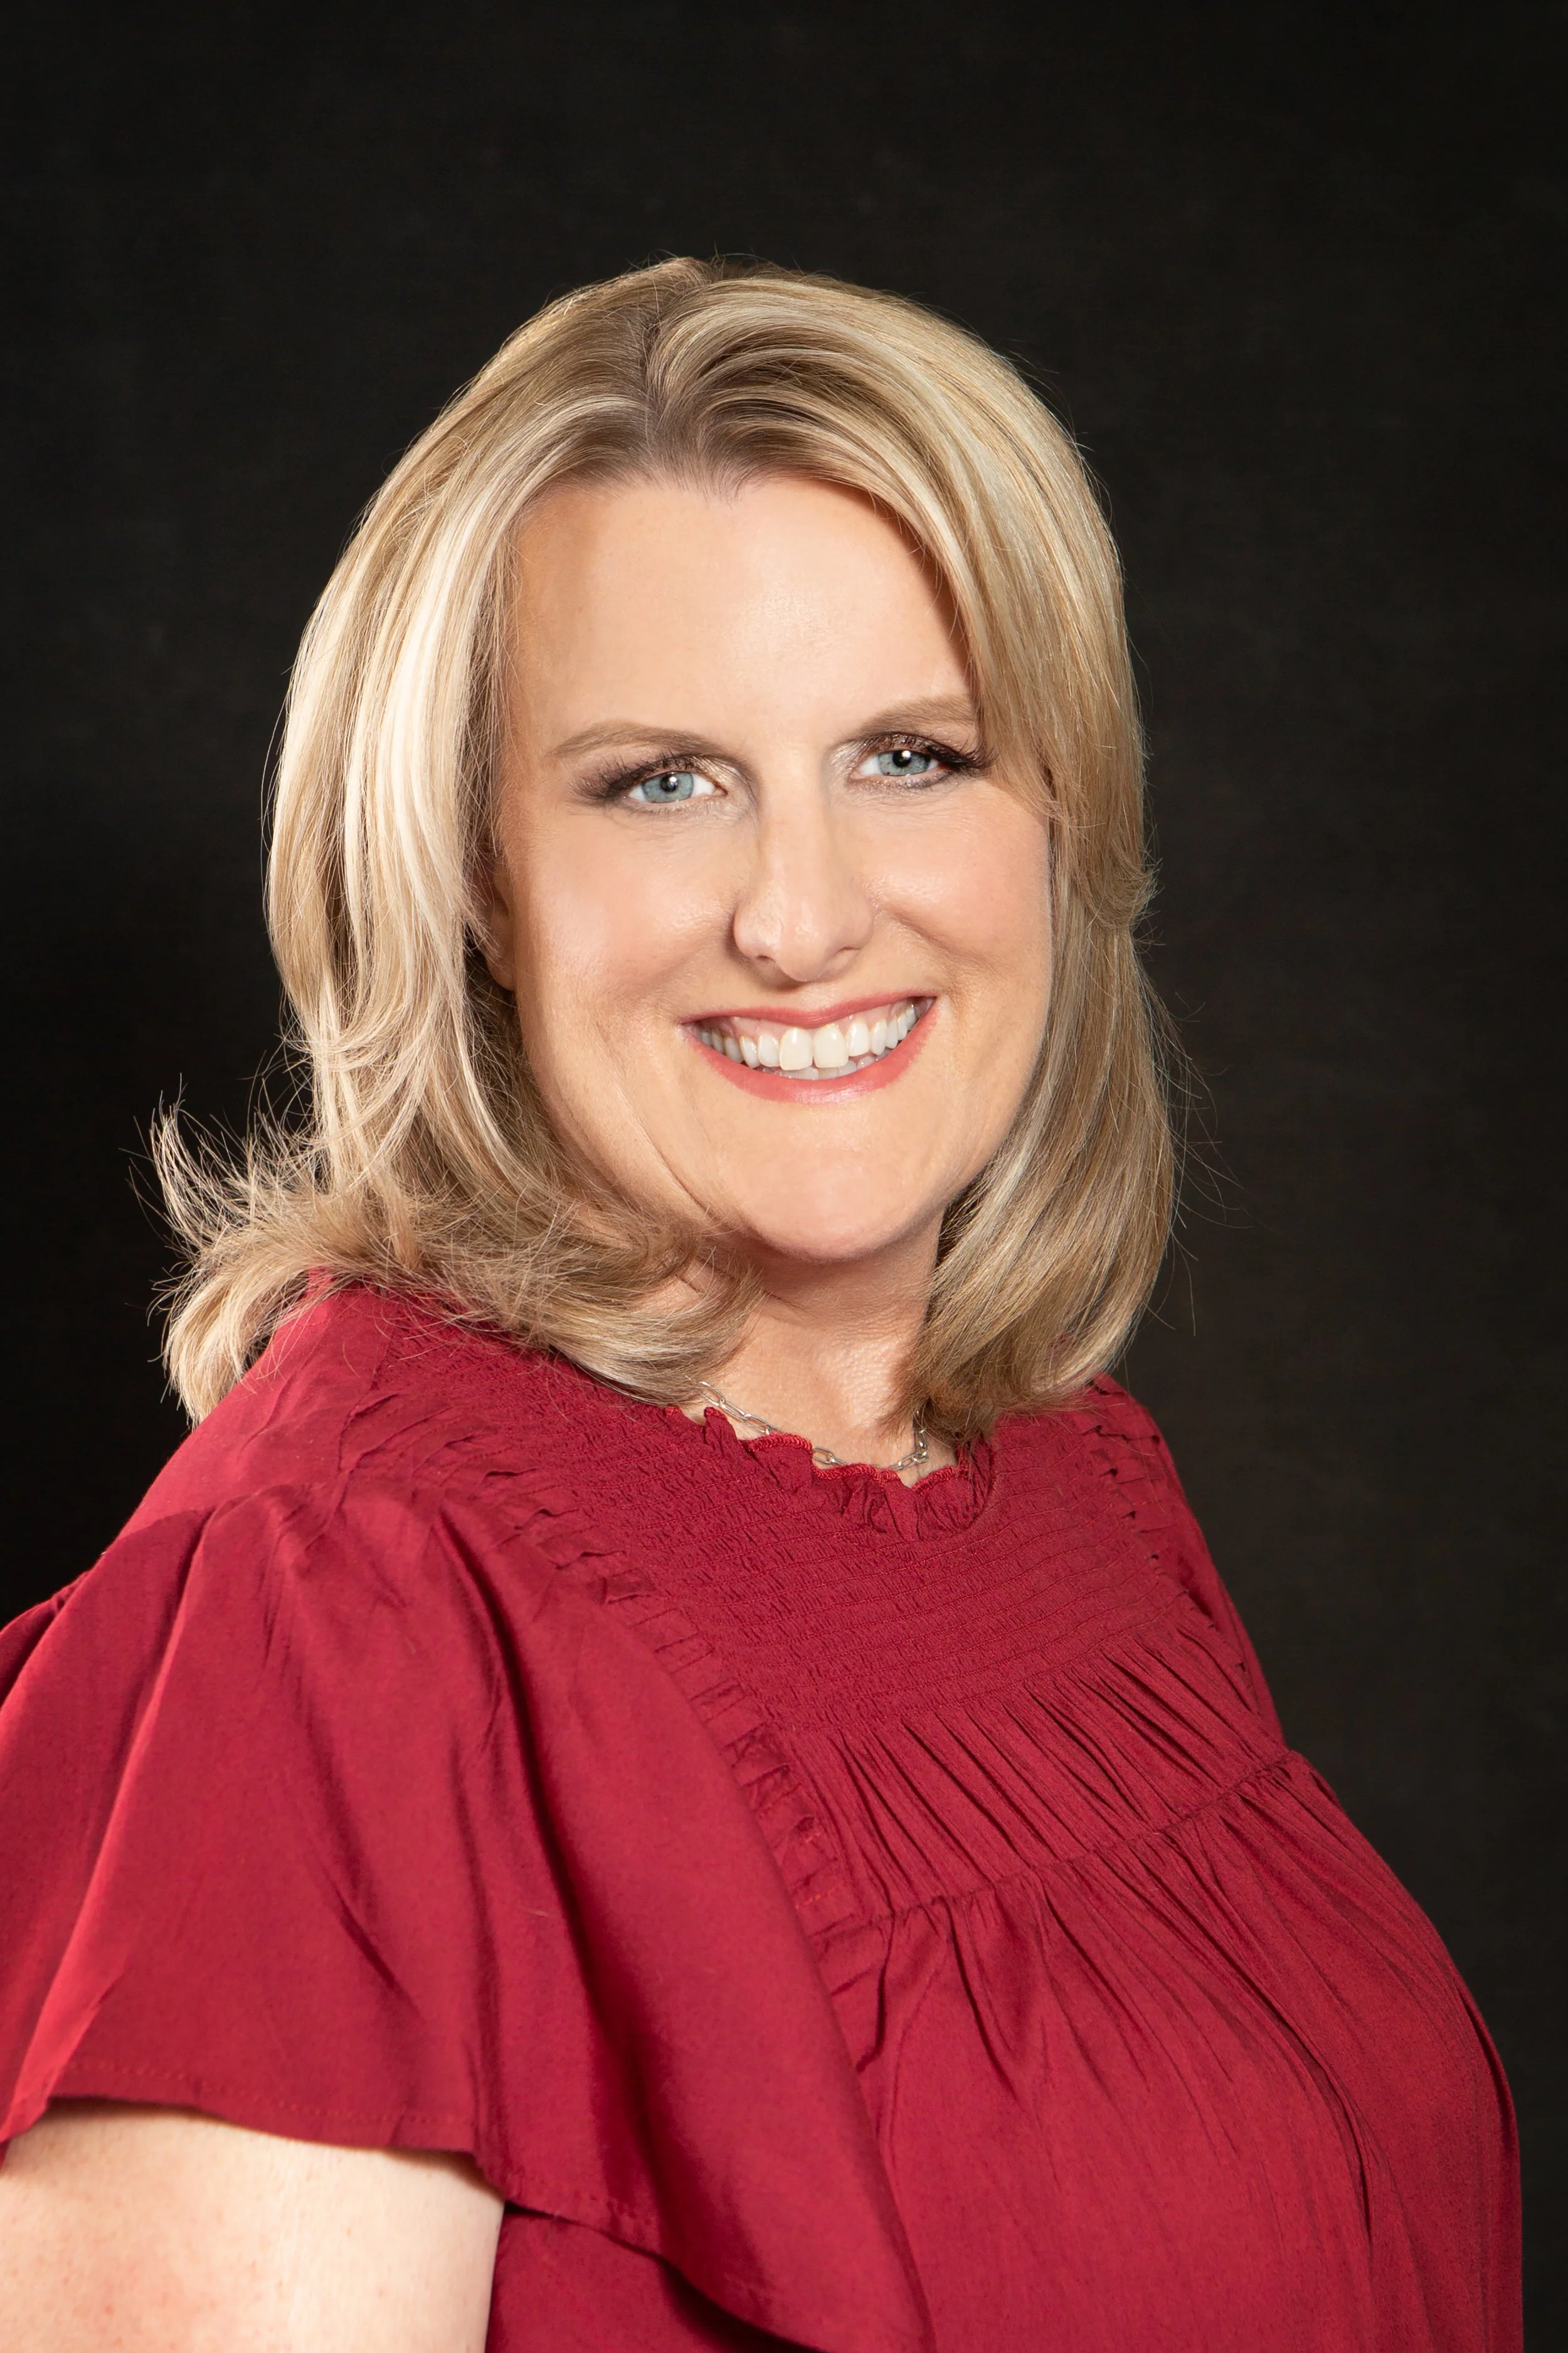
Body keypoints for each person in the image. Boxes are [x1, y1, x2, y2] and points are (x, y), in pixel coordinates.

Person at [0, 258, 1518, 2352]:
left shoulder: (1060, 1473)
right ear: (467, 870)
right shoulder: (327, 1619)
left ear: (1057, 810)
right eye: (658, 780)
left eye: (910, 754)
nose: (802, 916)